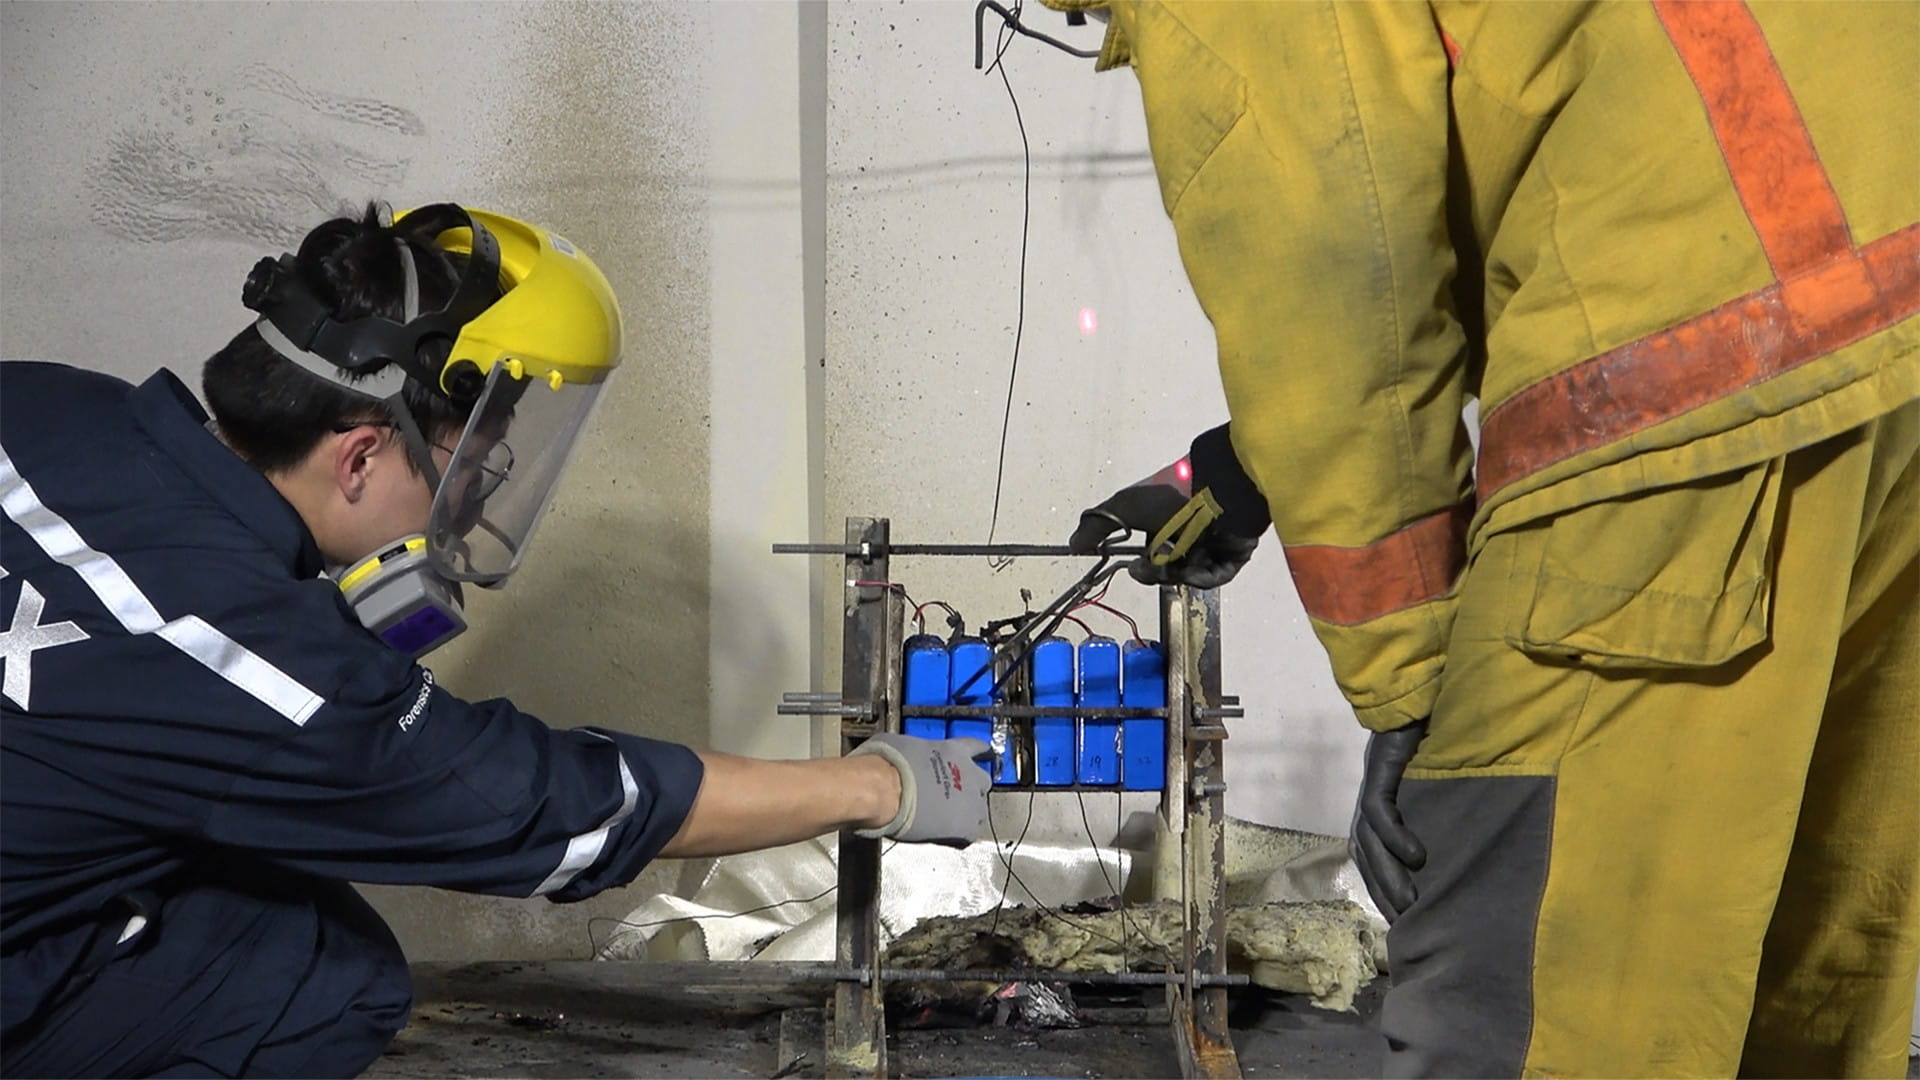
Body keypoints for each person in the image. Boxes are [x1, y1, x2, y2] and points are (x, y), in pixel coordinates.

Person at [1056, 1, 1918, 1075]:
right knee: (1797, 989)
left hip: (1694, 379)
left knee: (1513, 1008)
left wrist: (1411, 690)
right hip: (1884, 311)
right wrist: (1249, 459)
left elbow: (1342, 279)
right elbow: (1554, 128)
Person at [0, 203, 995, 1078]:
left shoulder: (42, 400)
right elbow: (552, 809)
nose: (470, 499)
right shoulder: (269, 678)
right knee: (322, 977)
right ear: (359, 456)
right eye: (467, 465)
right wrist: (879, 786)